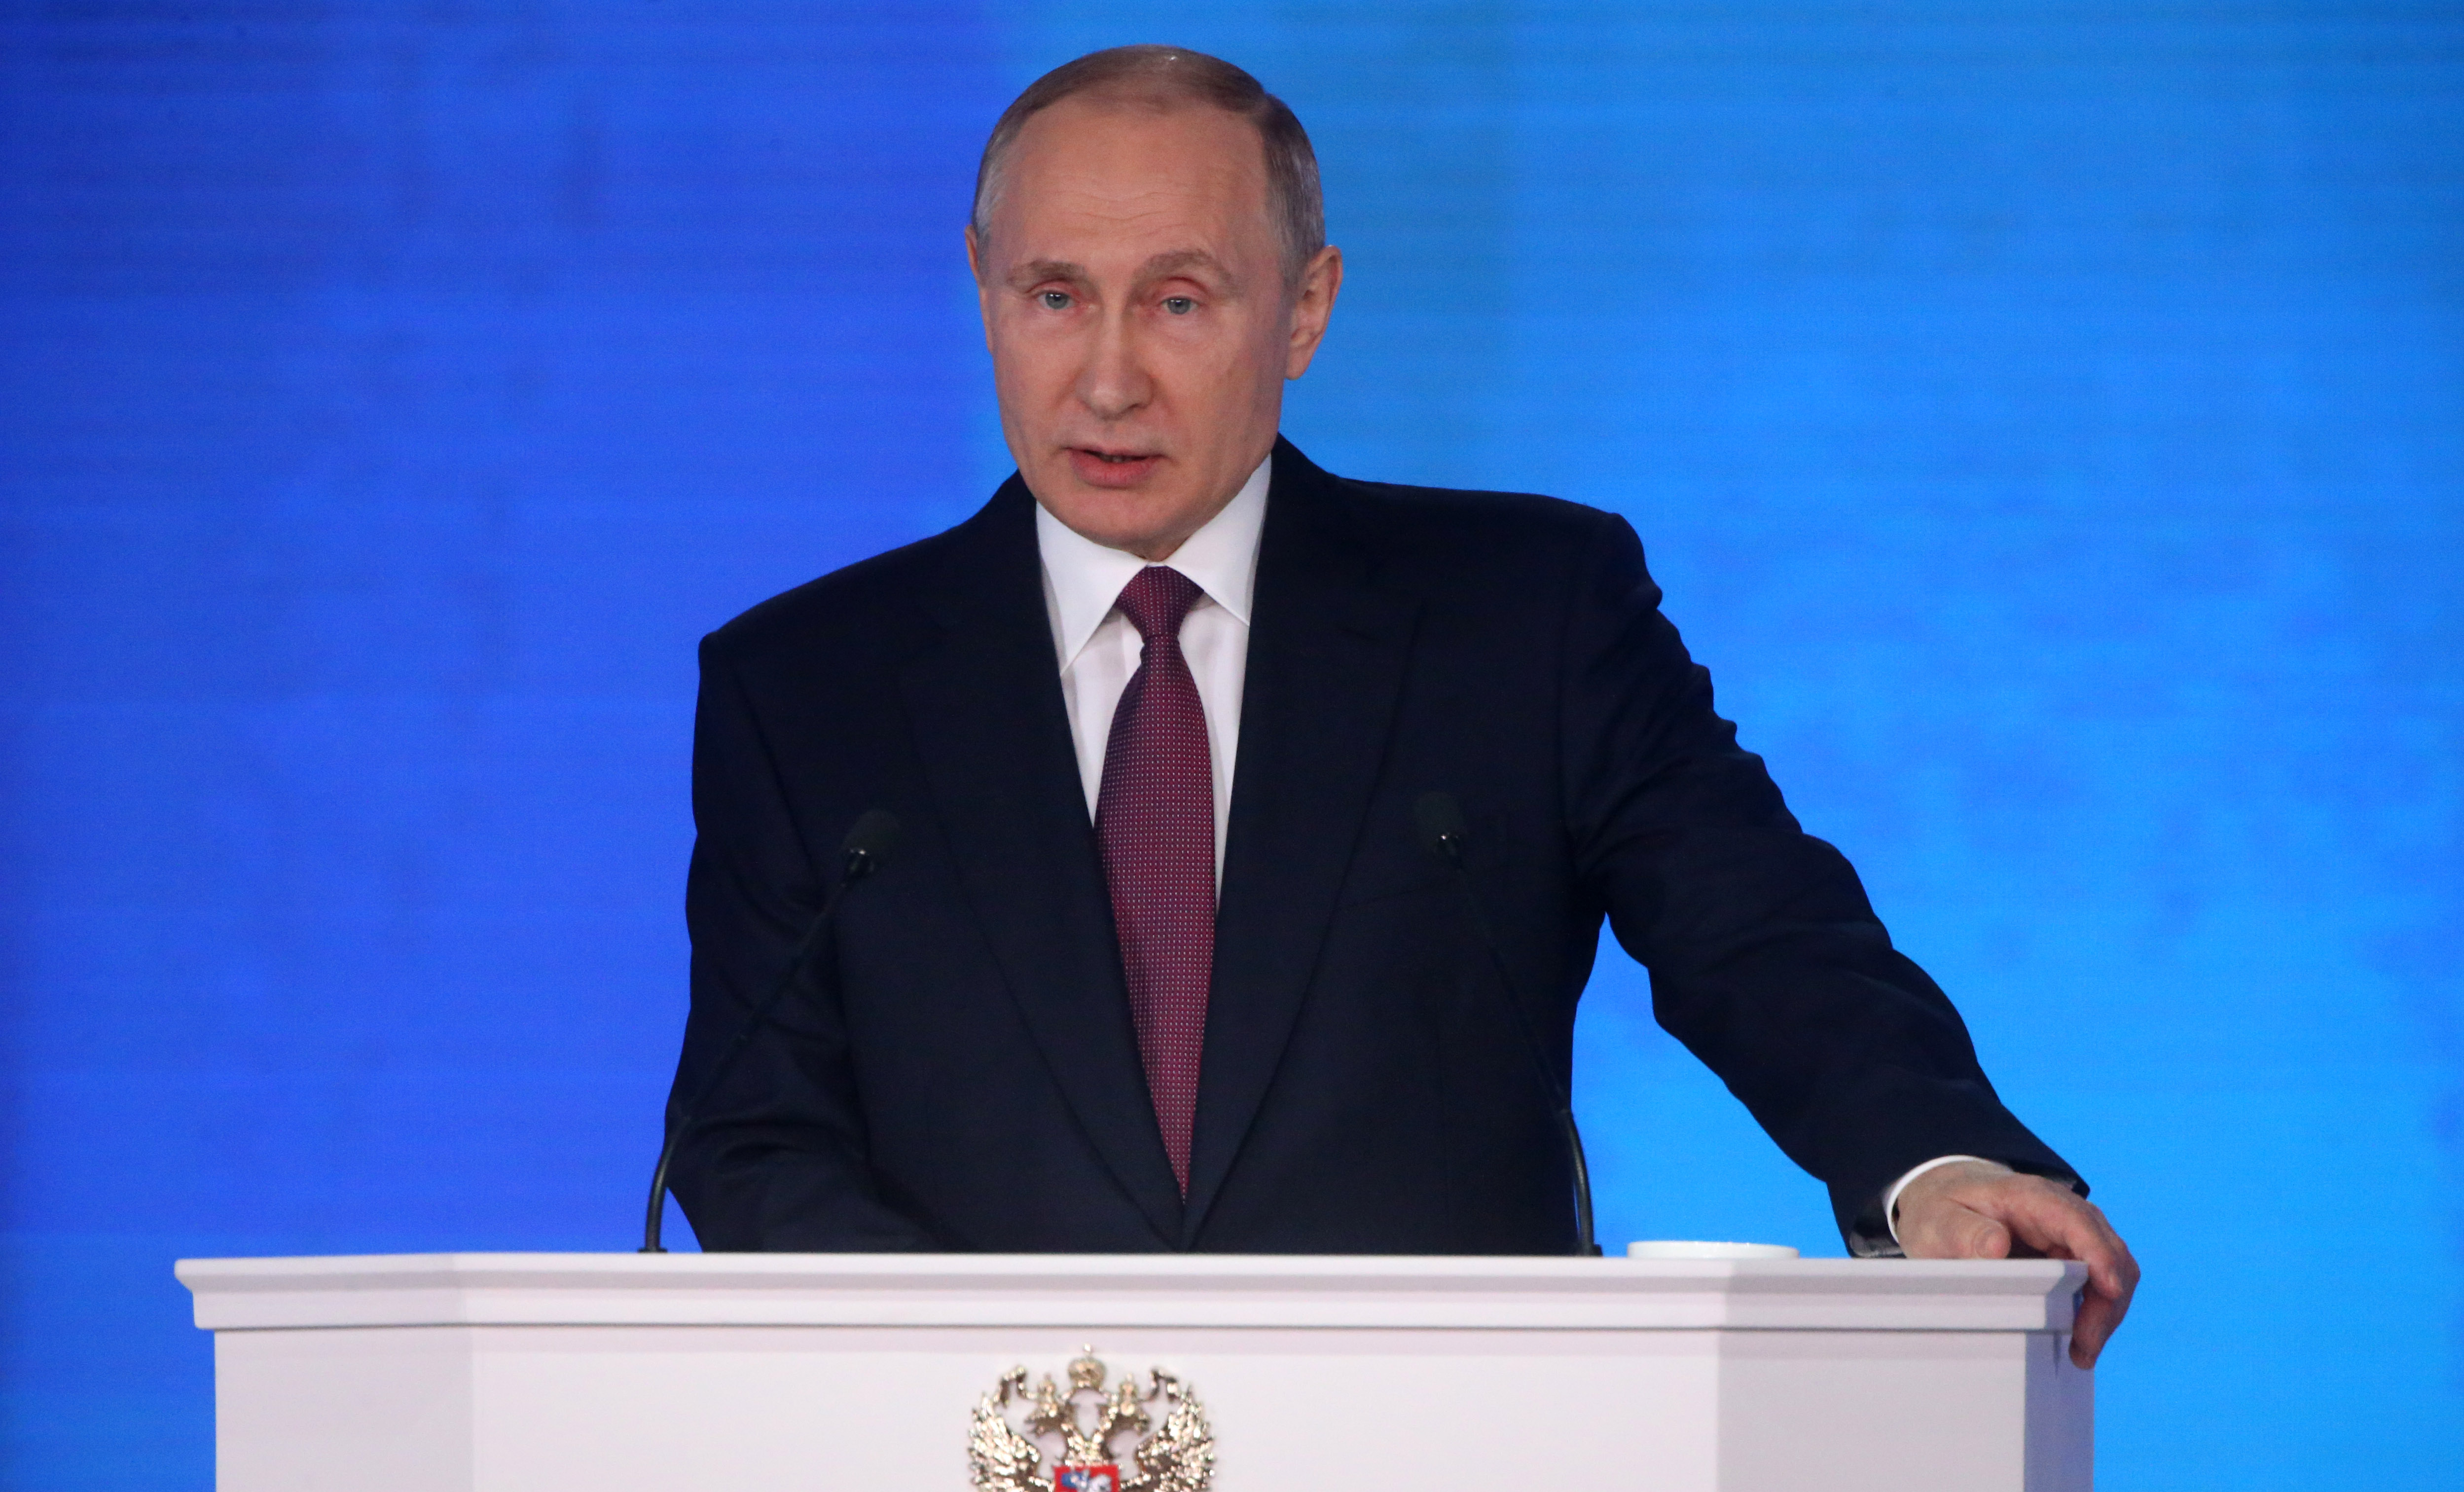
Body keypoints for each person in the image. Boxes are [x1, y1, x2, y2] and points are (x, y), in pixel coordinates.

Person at [664, 45, 2138, 1368]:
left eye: (1178, 301)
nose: (1105, 378)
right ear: (982, 284)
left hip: (1452, 1471)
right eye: (1054, 296)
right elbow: (756, 1135)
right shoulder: (808, 687)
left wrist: (1932, 1162)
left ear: (1304, 310)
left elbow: (1754, 933)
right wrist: (1013, 1399)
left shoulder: (1524, 615)